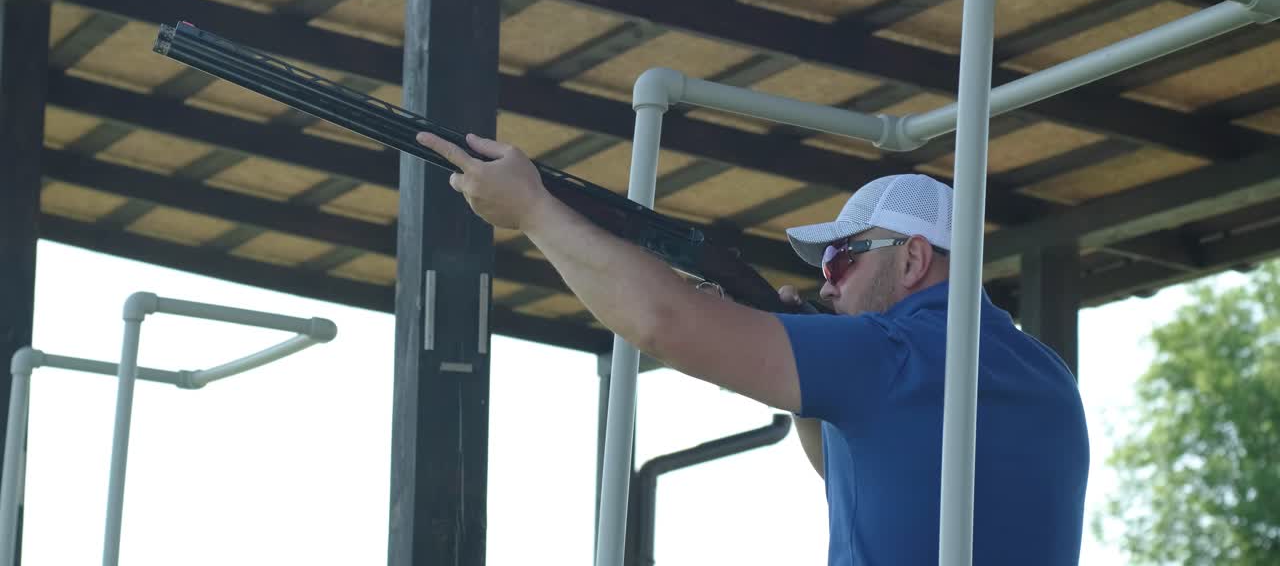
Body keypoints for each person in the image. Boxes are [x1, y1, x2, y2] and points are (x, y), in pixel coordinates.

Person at [416, 131, 1090, 566]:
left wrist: (532, 210)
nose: (828, 285)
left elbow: (661, 320)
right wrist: (808, 392)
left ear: (912, 260)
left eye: (841, 261)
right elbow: (870, 467)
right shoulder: (1042, 373)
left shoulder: (893, 354)